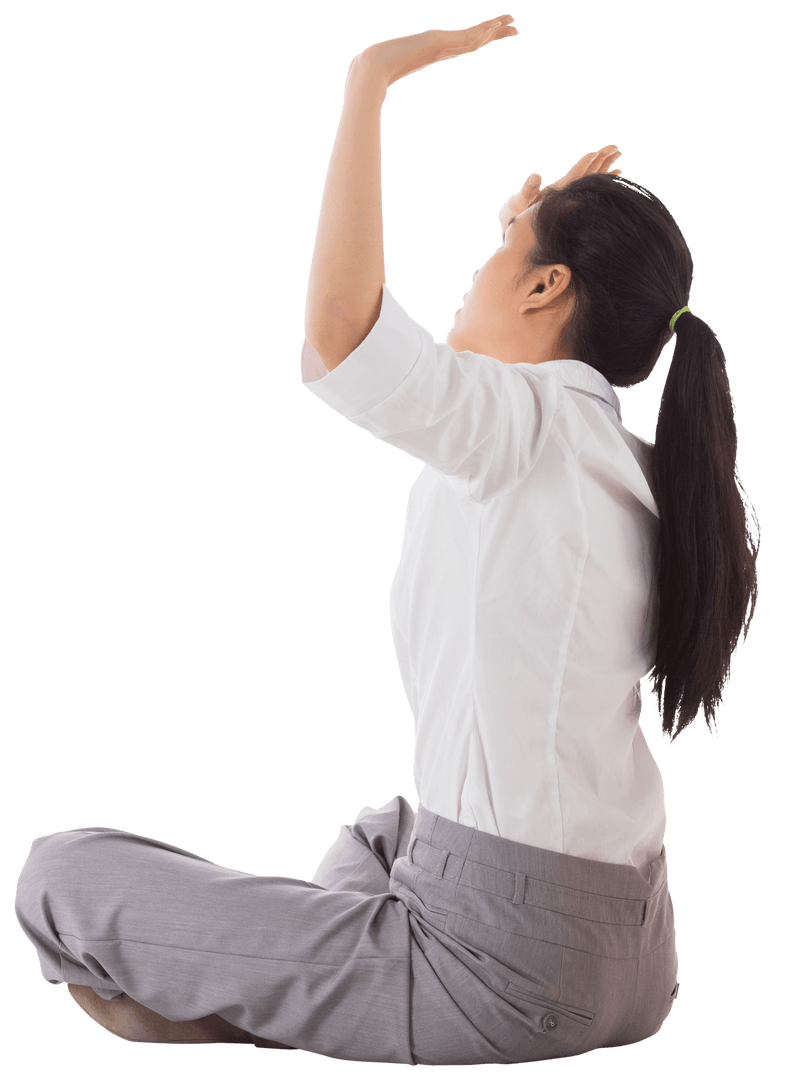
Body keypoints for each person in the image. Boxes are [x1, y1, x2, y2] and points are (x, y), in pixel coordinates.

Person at [13, 14, 760, 1066]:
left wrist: (366, 84)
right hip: (633, 954)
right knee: (385, 832)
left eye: (500, 257)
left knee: (57, 873)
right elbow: (511, 345)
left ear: (549, 291)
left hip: (510, 969)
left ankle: (287, 1000)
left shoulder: (522, 428)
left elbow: (345, 332)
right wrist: (531, 225)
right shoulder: (628, 464)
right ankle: (318, 986)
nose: (473, 275)